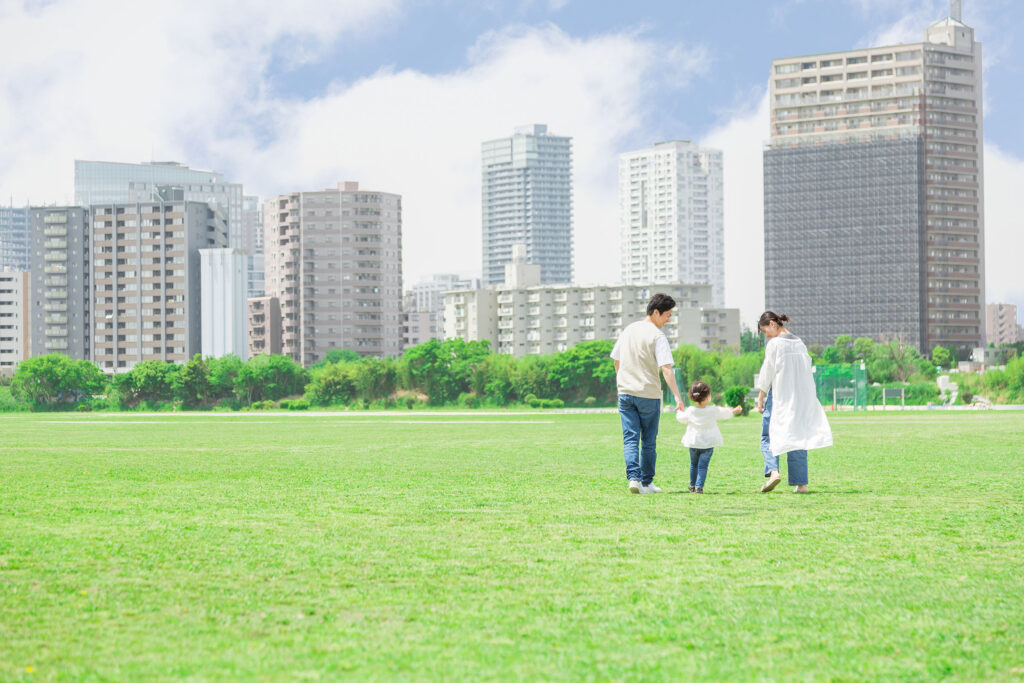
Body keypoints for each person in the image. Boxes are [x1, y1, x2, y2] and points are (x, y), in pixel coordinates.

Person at [611, 293, 685, 494]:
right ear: (655, 312)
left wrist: (623, 379)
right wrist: (678, 397)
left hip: (625, 393)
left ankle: (633, 479)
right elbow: (666, 368)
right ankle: (646, 482)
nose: (668, 319)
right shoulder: (657, 336)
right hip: (648, 395)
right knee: (649, 442)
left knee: (630, 439)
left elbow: (616, 360)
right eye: (667, 315)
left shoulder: (628, 330)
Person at [754, 311, 833, 493]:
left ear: (773, 324)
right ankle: (801, 484)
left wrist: (760, 398)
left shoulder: (775, 344)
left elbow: (768, 372)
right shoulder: (799, 343)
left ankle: (774, 472)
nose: (766, 335)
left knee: (767, 436)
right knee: (797, 437)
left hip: (779, 394)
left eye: (765, 330)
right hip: (799, 397)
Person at [676, 381, 742, 493]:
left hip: (694, 442)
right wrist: (734, 410)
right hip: (708, 443)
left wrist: (679, 411)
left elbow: (681, 418)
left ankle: (692, 485)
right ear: (707, 396)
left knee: (693, 465)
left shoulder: (691, 410)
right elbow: (724, 413)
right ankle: (699, 487)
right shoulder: (712, 410)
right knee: (702, 466)